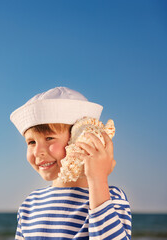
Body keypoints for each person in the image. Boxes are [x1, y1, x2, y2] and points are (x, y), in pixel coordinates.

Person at [10, 87, 131, 239]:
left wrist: (98, 180)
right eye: (31, 142)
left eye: (49, 138)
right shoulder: (30, 205)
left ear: (80, 139)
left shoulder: (109, 197)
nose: (38, 151)